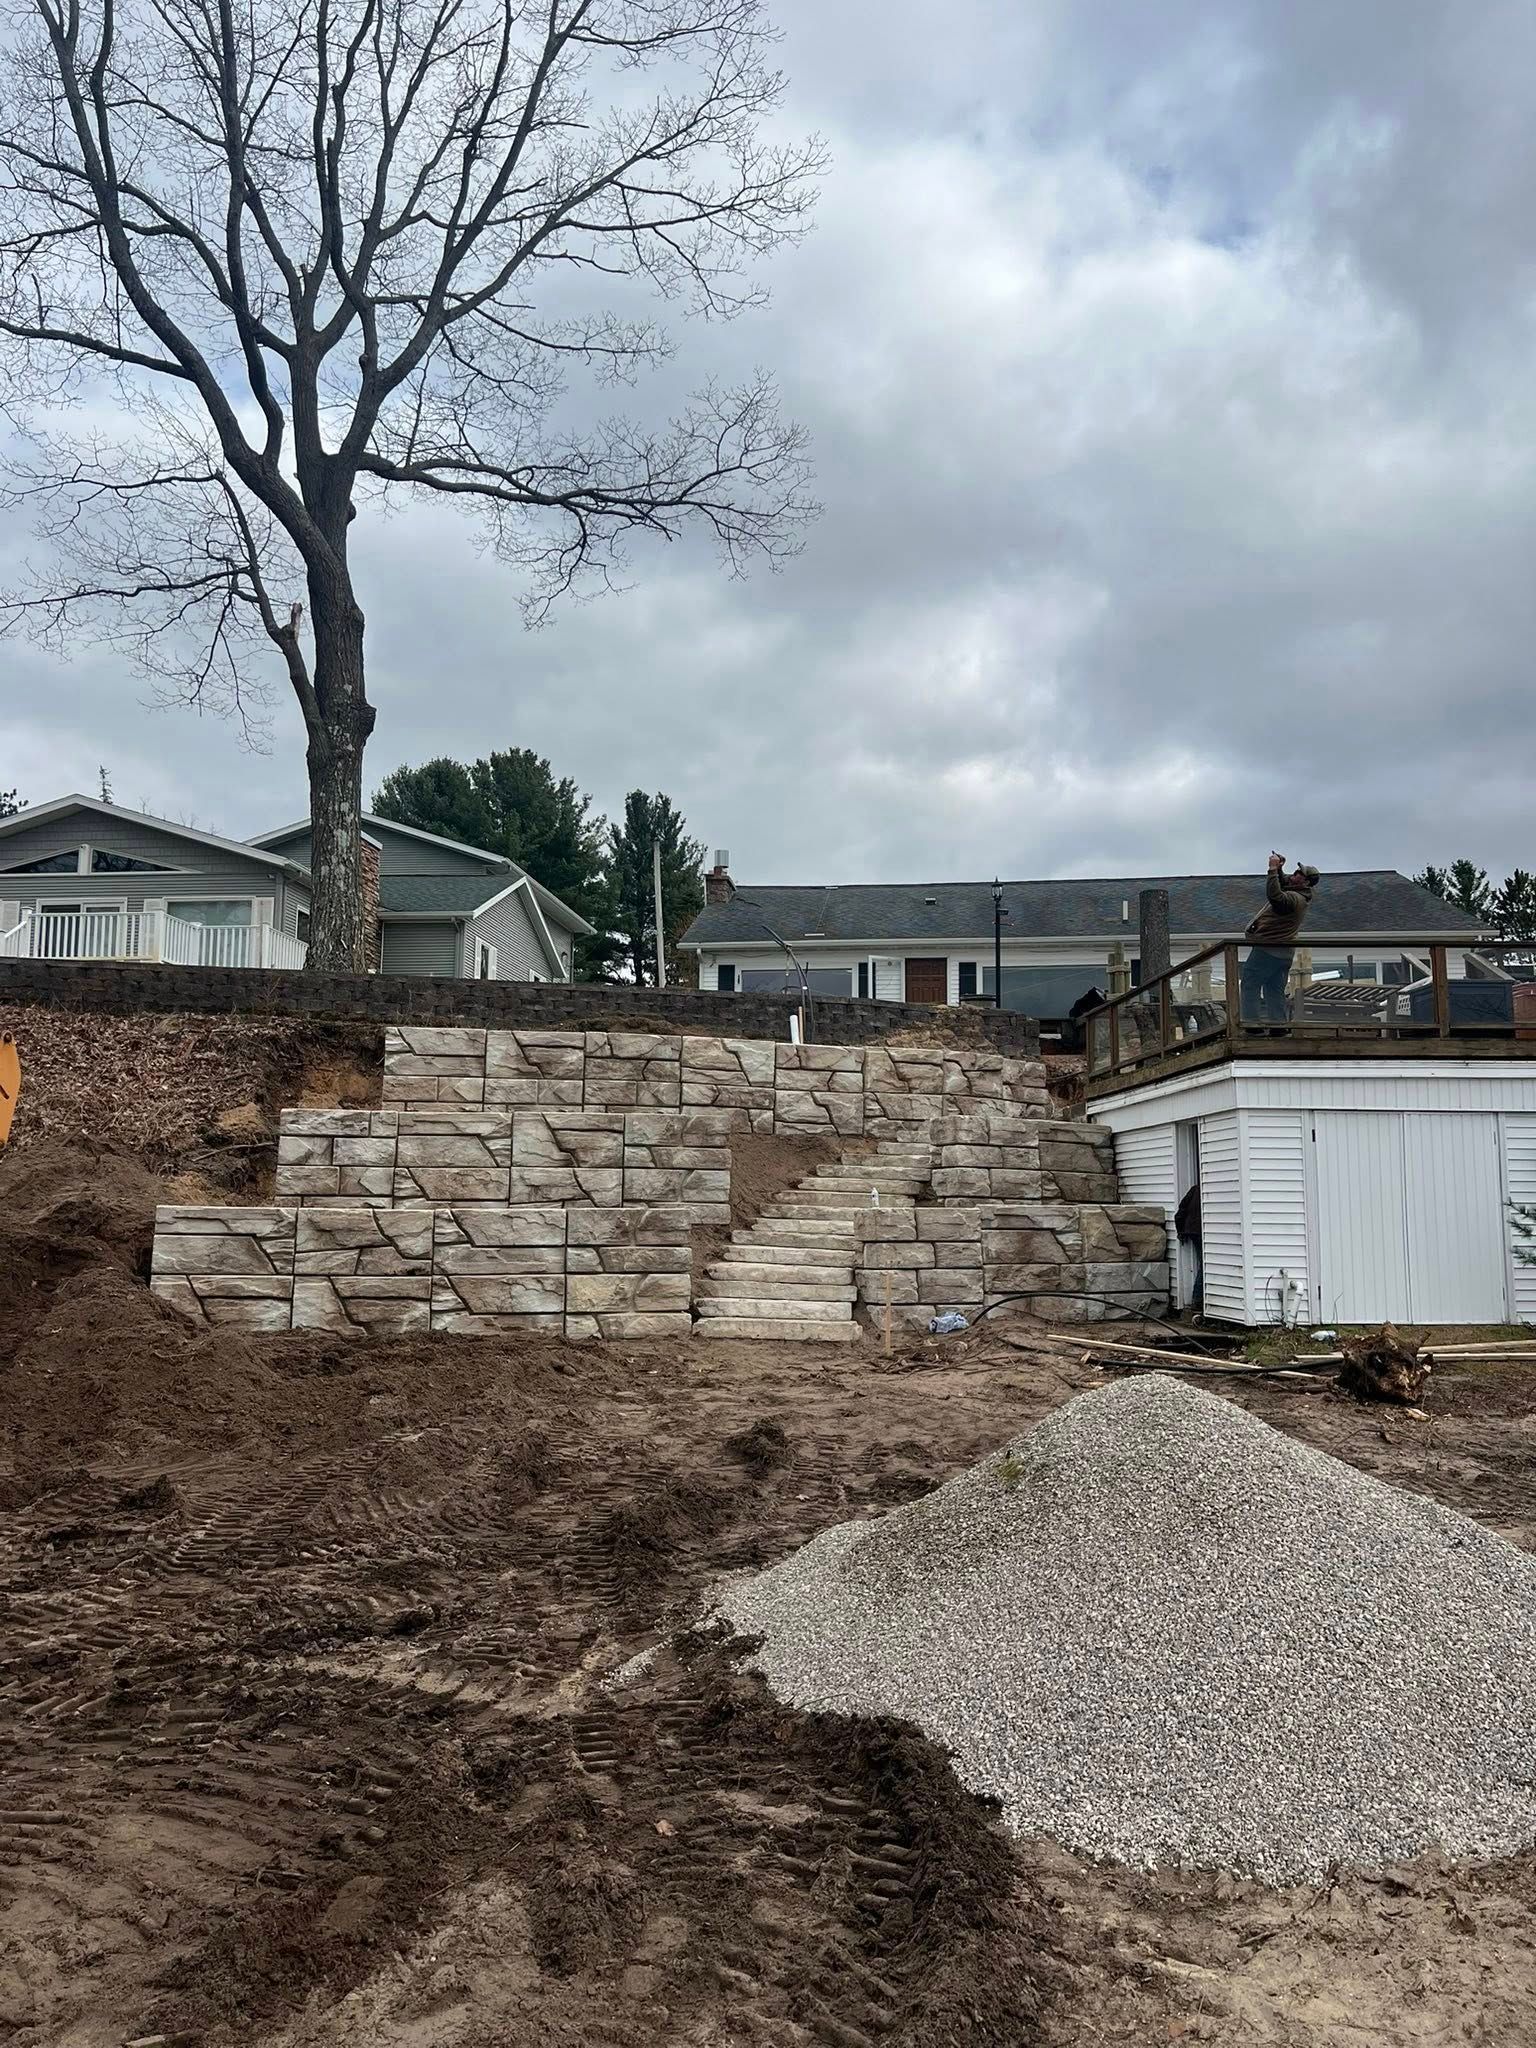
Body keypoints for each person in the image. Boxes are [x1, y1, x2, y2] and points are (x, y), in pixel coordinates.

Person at [1239, 854, 1320, 1030]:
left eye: (1300, 873)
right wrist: (1280, 869)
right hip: (1283, 953)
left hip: (1268, 949)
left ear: (1305, 883)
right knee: (1274, 989)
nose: (1296, 873)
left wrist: (1272, 870)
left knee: (1250, 984)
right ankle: (1278, 1026)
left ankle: (1252, 1025)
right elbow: (1284, 883)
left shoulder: (1293, 899)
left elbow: (1275, 896)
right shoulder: (1300, 895)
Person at [1174, 1180, 1202, 1311]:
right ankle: (1197, 1299)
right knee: (1204, 1264)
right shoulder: (1202, 1191)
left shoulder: (1194, 1190)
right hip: (1199, 1230)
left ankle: (1198, 1299)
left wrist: (1181, 1231)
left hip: (1191, 1230)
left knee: (1203, 1264)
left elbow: (1180, 1211)